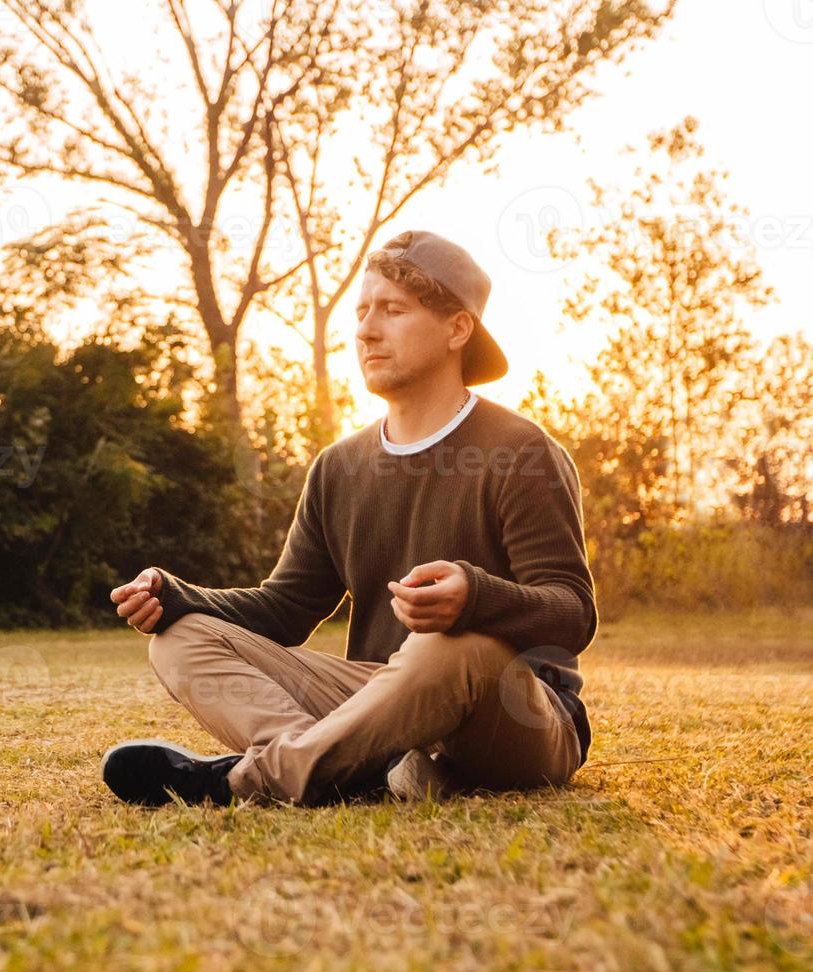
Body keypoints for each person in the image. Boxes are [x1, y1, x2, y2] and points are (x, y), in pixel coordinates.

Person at [101, 230, 596, 808]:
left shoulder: (522, 452)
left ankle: (252, 780)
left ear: (457, 329)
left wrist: (475, 598)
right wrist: (180, 598)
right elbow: (284, 610)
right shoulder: (339, 467)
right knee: (178, 641)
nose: (365, 329)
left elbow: (573, 612)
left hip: (517, 716)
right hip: (378, 705)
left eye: (392, 310)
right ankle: (349, 767)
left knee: (444, 647)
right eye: (362, 311)